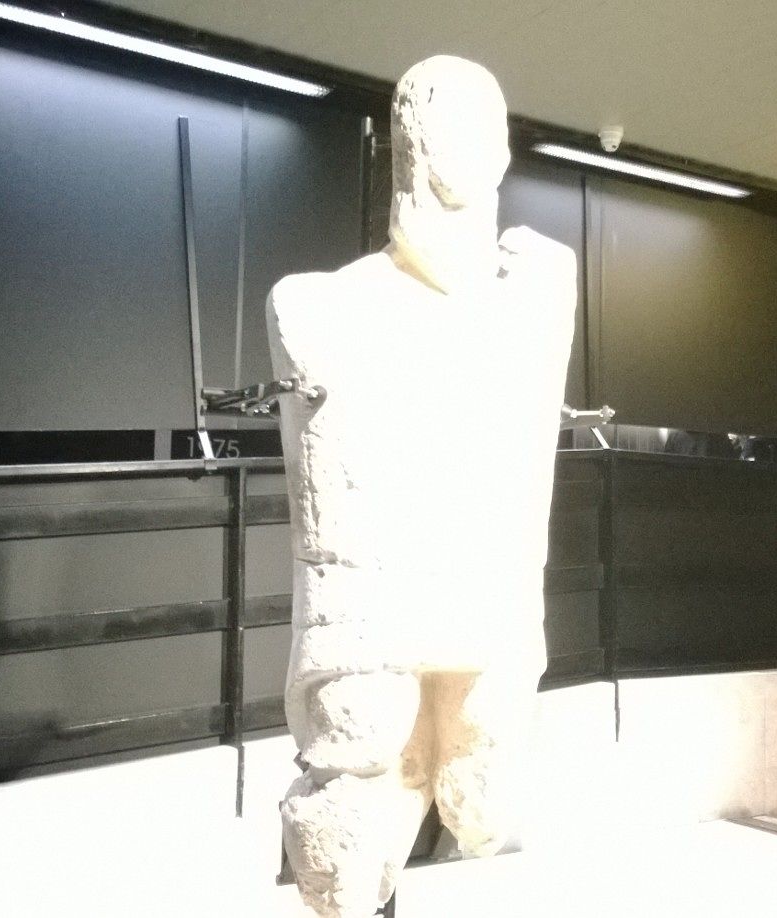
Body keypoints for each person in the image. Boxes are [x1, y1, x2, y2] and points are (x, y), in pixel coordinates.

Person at [266, 56, 576, 918]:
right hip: (372, 604)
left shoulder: (534, 290)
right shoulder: (326, 305)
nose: (470, 149)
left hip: (485, 588)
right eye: (443, 125)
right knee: (355, 781)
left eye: (487, 129)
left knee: (481, 788)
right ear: (408, 143)